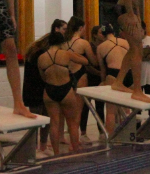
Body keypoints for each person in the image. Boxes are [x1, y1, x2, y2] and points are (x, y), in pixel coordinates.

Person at [37, 32, 88, 155]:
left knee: (54, 123)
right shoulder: (66, 54)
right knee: (72, 122)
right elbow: (85, 61)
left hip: (49, 91)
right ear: (62, 43)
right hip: (66, 90)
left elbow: (43, 77)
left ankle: (56, 154)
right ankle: (75, 150)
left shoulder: (41, 58)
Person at [23, 19, 67, 156]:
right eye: (65, 29)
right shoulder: (44, 52)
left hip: (32, 87)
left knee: (42, 118)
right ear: (57, 30)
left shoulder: (37, 48)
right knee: (42, 118)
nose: (66, 32)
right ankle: (39, 146)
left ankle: (39, 146)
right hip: (38, 87)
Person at [62, 16, 99, 146]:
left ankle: (71, 138)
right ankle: (77, 140)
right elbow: (94, 61)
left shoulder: (63, 43)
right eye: (84, 28)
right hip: (79, 75)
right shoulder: (83, 43)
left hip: (66, 75)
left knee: (67, 111)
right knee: (77, 111)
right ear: (80, 28)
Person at [96, 22, 131, 133]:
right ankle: (129, 134)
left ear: (102, 34)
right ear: (113, 31)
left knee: (111, 111)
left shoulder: (101, 47)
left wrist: (103, 83)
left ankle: (110, 139)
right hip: (128, 74)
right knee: (128, 108)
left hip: (113, 75)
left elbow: (103, 70)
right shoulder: (125, 42)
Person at [79, 25, 106, 143]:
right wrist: (99, 73)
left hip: (100, 78)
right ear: (95, 35)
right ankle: (83, 133)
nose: (103, 35)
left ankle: (102, 131)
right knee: (86, 106)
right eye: (100, 33)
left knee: (100, 106)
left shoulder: (105, 46)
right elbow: (87, 65)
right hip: (90, 78)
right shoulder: (89, 46)